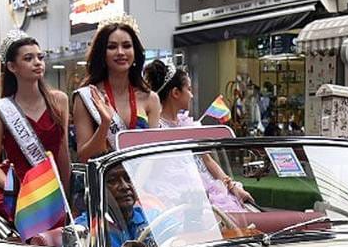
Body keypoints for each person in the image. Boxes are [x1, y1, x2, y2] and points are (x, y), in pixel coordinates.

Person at [0, 30, 73, 221]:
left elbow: (63, 152)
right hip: (18, 194)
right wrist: (16, 189)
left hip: (51, 192)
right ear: (12, 66)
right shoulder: (0, 110)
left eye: (40, 57)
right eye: (28, 58)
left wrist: (66, 196)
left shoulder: (59, 101)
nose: (37, 62)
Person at [144, 58, 248, 209]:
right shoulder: (156, 127)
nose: (192, 95)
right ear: (176, 93)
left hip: (206, 191)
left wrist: (232, 187)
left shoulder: (189, 124)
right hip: (174, 197)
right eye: (189, 89)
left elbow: (208, 161)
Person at [71, 20, 161, 163]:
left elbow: (155, 153)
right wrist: (104, 125)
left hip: (142, 176)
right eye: (112, 47)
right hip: (105, 176)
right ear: (102, 53)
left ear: (135, 52)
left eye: (127, 46)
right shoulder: (87, 97)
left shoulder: (150, 99)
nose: (120, 52)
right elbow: (84, 157)